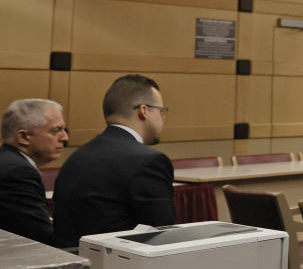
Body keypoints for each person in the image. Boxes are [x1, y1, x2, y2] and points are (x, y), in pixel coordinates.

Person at [54, 74, 176, 248]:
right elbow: (164, 236)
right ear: (144, 111)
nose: (162, 119)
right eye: (161, 111)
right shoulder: (149, 161)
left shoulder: (77, 157)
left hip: (73, 266)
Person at [0, 99, 69, 244]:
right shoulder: (18, 172)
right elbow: (42, 239)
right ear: (24, 137)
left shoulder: (8, 160)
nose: (65, 138)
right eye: (56, 130)